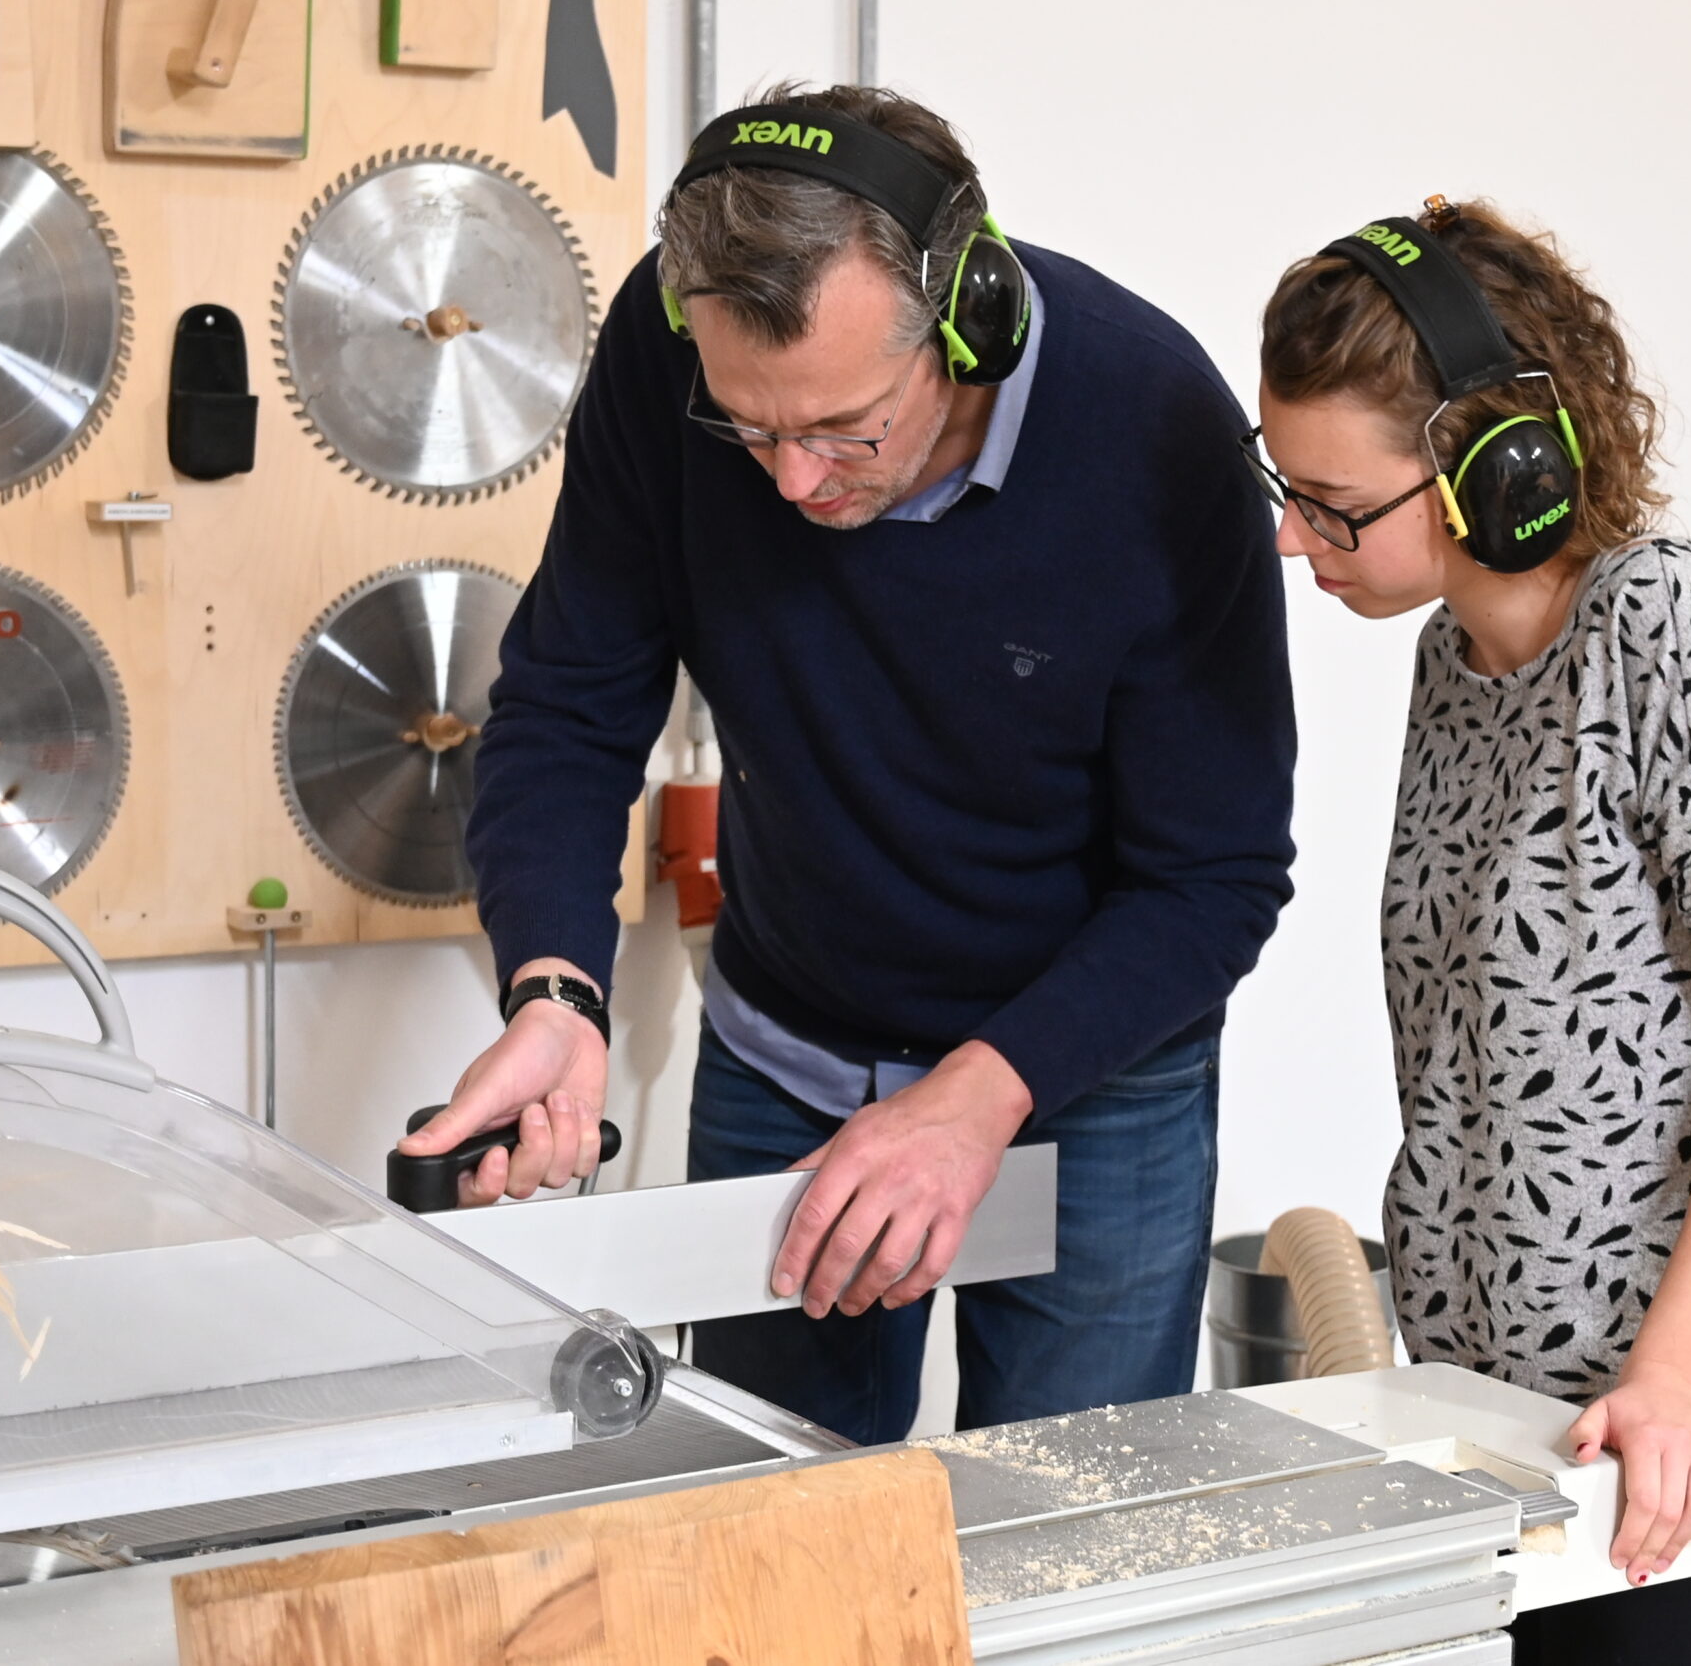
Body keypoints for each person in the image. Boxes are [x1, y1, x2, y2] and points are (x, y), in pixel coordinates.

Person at [401, 84, 1296, 1446]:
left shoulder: (1156, 431)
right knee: (780, 1538)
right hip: (787, 1051)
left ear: (967, 316)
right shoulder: (672, 350)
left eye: (847, 429)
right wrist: (555, 991)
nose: (795, 488)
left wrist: (976, 1096)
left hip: (1093, 1081)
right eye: (749, 430)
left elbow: (1215, 876)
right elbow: (572, 706)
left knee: (1075, 1532)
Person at [1247, 197, 1691, 1664]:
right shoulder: (1454, 663)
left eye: (1334, 502)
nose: (1292, 536)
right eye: (1285, 485)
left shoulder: (1671, 626)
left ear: (1499, 471)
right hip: (1502, 1422)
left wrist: (1667, 1384)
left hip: (1690, 1437)